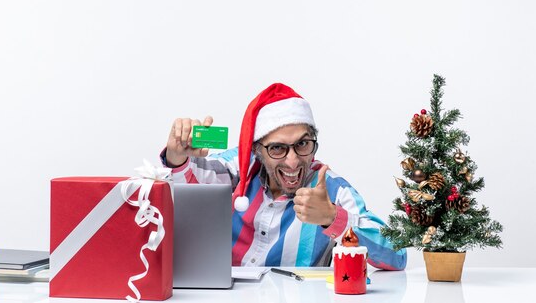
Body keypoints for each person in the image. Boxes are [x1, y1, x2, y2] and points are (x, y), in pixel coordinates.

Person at [160, 82, 406, 269]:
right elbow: (189, 183)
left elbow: (397, 255)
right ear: (258, 149)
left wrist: (333, 217)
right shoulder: (239, 167)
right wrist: (177, 156)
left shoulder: (331, 189)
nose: (293, 160)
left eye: (302, 144)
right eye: (277, 148)